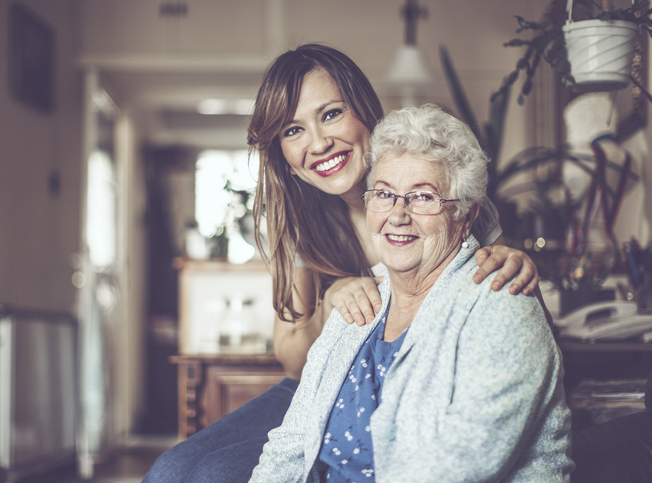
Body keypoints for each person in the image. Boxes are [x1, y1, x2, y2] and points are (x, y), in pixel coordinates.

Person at [142, 44, 543, 483]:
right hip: (319, 384)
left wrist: (513, 261)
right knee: (171, 470)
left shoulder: (442, 193)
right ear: (285, 158)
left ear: (364, 111)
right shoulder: (299, 220)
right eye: (293, 130)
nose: (318, 142)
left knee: (215, 474)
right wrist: (331, 303)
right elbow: (292, 356)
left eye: (330, 114)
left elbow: (517, 313)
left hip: (409, 374)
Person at [250, 104, 573, 482]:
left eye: (422, 197)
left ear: (467, 215)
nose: (398, 214)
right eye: (384, 194)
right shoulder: (355, 309)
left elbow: (458, 465)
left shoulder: (500, 299)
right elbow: (291, 443)